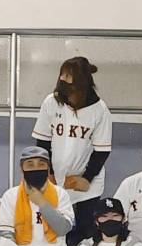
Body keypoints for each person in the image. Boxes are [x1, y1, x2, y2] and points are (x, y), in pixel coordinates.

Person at [34, 57, 113, 205]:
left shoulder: (100, 110)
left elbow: (102, 150)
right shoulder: (51, 102)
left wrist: (87, 178)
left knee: (84, 226)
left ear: (81, 80)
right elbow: (42, 143)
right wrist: (48, 173)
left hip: (87, 188)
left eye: (68, 76)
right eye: (62, 75)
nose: (62, 79)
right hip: (54, 182)